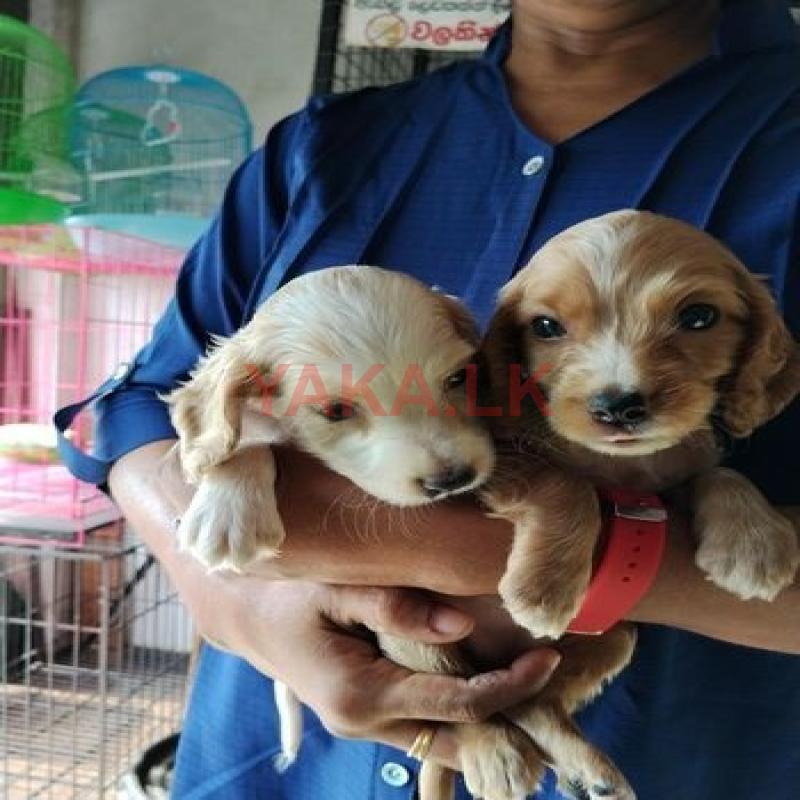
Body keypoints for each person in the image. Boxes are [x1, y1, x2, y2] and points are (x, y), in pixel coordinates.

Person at [58, 1, 800, 797]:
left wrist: (493, 548)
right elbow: (135, 404)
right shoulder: (319, 148)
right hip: (284, 773)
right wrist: (226, 593)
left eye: (691, 318)